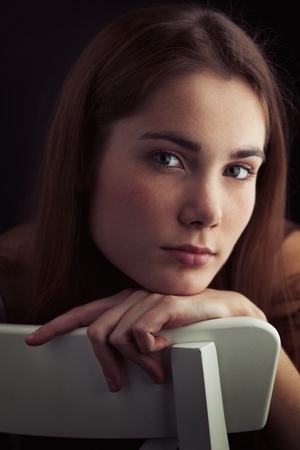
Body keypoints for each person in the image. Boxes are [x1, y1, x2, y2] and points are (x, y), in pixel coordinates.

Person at [0, 2, 300, 449]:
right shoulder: (8, 281)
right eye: (167, 159)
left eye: (238, 170)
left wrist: (256, 338)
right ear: (84, 159)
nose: (208, 212)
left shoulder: (286, 266)